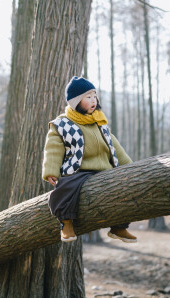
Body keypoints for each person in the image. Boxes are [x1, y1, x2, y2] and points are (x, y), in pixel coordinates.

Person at [42, 76, 137, 244]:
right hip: (79, 169)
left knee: (121, 189)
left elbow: (114, 145)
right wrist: (51, 171)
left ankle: (119, 226)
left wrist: (129, 166)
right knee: (66, 187)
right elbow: (53, 148)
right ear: (76, 102)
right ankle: (66, 222)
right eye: (88, 97)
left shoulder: (99, 121)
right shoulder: (63, 124)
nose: (94, 100)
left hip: (104, 169)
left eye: (95, 96)